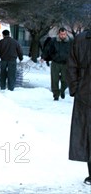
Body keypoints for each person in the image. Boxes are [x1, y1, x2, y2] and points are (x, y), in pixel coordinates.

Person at [66, 30, 91, 185]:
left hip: (84, 93)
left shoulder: (81, 39)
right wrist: (76, 89)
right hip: (85, 94)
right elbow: (71, 66)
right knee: (87, 134)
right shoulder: (81, 40)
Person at [42, 27, 72, 100]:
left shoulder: (70, 41)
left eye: (64, 34)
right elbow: (47, 49)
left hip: (66, 63)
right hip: (55, 62)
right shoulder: (53, 41)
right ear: (59, 34)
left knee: (65, 80)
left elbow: (74, 52)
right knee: (54, 80)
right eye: (61, 34)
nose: (62, 36)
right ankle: (56, 95)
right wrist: (43, 57)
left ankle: (62, 90)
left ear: (66, 34)